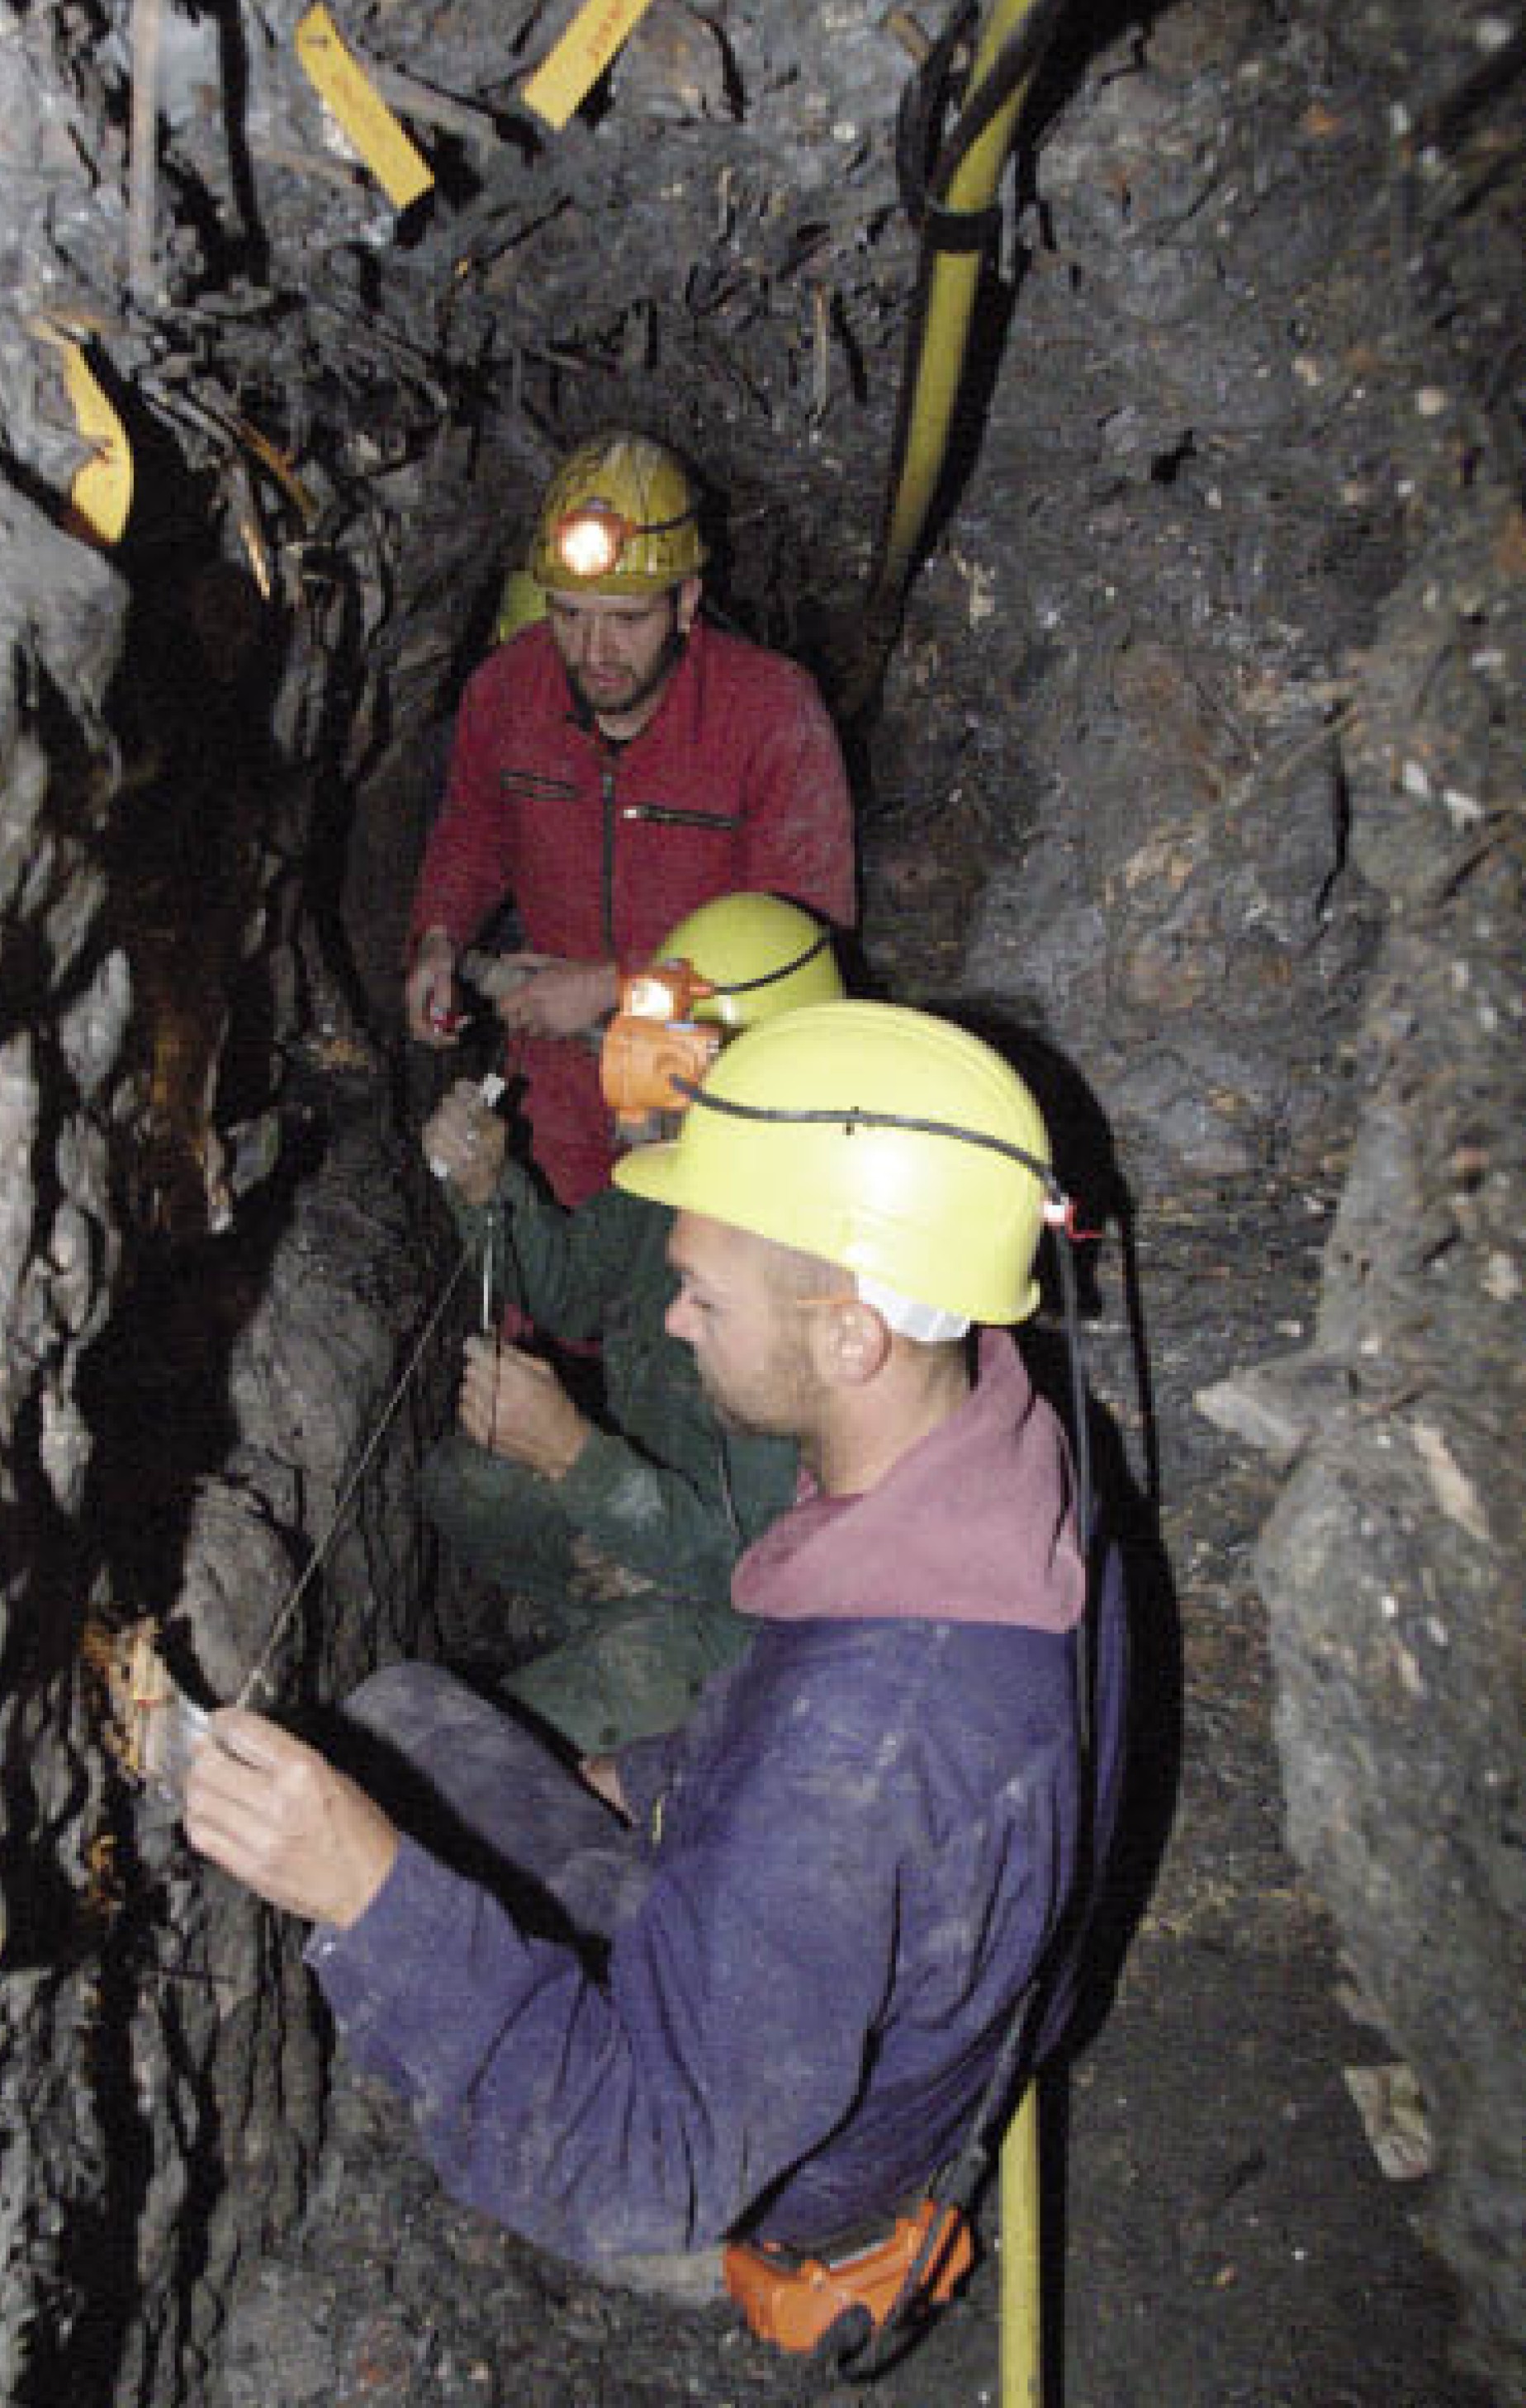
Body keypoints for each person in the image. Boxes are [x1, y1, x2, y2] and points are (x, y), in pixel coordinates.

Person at [183, 1001, 1127, 2344]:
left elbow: (649, 2154)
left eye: (708, 1297)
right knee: (404, 1724)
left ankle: (723, 2260)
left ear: (853, 1334)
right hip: (873, 1970)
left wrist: (367, 1894)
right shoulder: (995, 1442)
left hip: (770, 2168)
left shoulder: (855, 1749)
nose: (675, 1320)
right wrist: (640, 1776)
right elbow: (816, 1761)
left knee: (390, 1844)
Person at [419, 892, 846, 1752]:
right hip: (659, 1512)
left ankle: (651, 1697)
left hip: (746, 1617)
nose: (649, 1094)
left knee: (483, 1753)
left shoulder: (813, 1273)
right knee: (463, 1481)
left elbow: (767, 1562)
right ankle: (596, 1617)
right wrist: (488, 1188)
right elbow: (571, 1291)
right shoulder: (684, 1173)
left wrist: (583, 1466)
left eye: (683, 1057)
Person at [403, 429, 857, 1206]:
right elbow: (472, 836)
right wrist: (440, 937)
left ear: (687, 601)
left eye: (627, 619)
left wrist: (619, 987)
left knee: (685, 1280)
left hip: (708, 1092)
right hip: (552, 1084)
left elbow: (800, 948)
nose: (594, 650)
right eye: (570, 615)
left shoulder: (771, 715)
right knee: (541, 1267)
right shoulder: (507, 693)